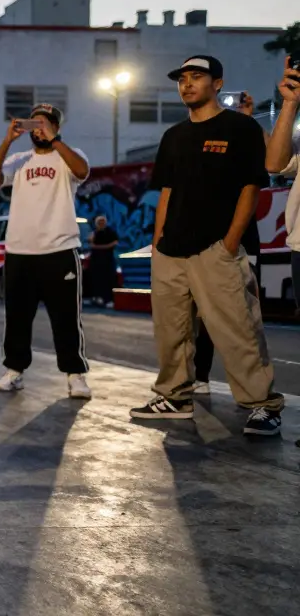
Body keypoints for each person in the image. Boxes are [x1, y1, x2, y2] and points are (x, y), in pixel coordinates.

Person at [130, 56, 283, 435]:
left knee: (238, 331)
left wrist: (229, 243)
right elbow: (166, 191)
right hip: (171, 251)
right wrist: (157, 246)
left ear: (217, 83)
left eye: (196, 77)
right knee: (172, 332)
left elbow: (252, 188)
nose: (187, 84)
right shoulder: (174, 136)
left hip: (217, 249)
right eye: (182, 79)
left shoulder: (240, 128)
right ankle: (174, 396)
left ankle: (263, 405)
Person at [0, 104, 92, 399]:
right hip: (20, 251)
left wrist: (54, 139)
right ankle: (14, 371)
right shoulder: (19, 160)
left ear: (56, 127)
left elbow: (83, 171)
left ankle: (75, 374)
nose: (39, 128)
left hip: (60, 249)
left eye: (45, 123)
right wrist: (8, 140)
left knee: (66, 317)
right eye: (35, 123)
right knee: (17, 317)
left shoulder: (70, 156)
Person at [193, 90, 262, 395]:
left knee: (245, 319)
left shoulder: (247, 147)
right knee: (202, 317)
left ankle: (256, 393)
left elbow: (271, 157)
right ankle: (200, 377)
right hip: (204, 243)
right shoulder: (201, 146)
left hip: (243, 243)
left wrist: (249, 119)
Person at [85, 215, 119, 307]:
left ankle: (108, 299)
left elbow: (115, 243)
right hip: (96, 260)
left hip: (107, 260)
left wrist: (99, 247)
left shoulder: (110, 232)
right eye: (99, 222)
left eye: (103, 222)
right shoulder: (94, 233)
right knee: (95, 279)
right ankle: (96, 297)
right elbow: (90, 243)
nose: (101, 224)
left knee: (108, 280)